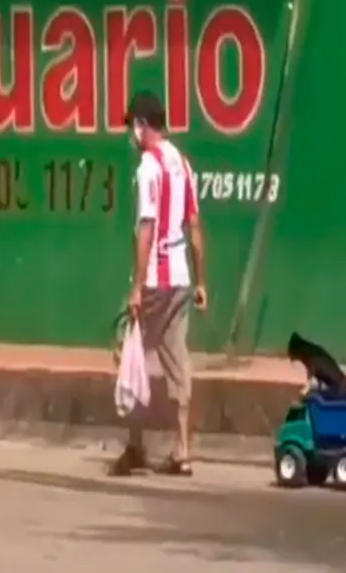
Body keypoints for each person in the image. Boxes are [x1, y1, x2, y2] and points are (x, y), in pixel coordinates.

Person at [108, 91, 208, 478]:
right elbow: (195, 227)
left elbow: (145, 228)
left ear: (142, 125)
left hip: (154, 280)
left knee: (129, 351)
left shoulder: (148, 167)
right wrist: (202, 282)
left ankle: (135, 445)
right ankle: (182, 449)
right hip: (181, 278)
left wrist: (136, 287)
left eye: (132, 125)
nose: (131, 134)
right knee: (177, 359)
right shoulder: (182, 163)